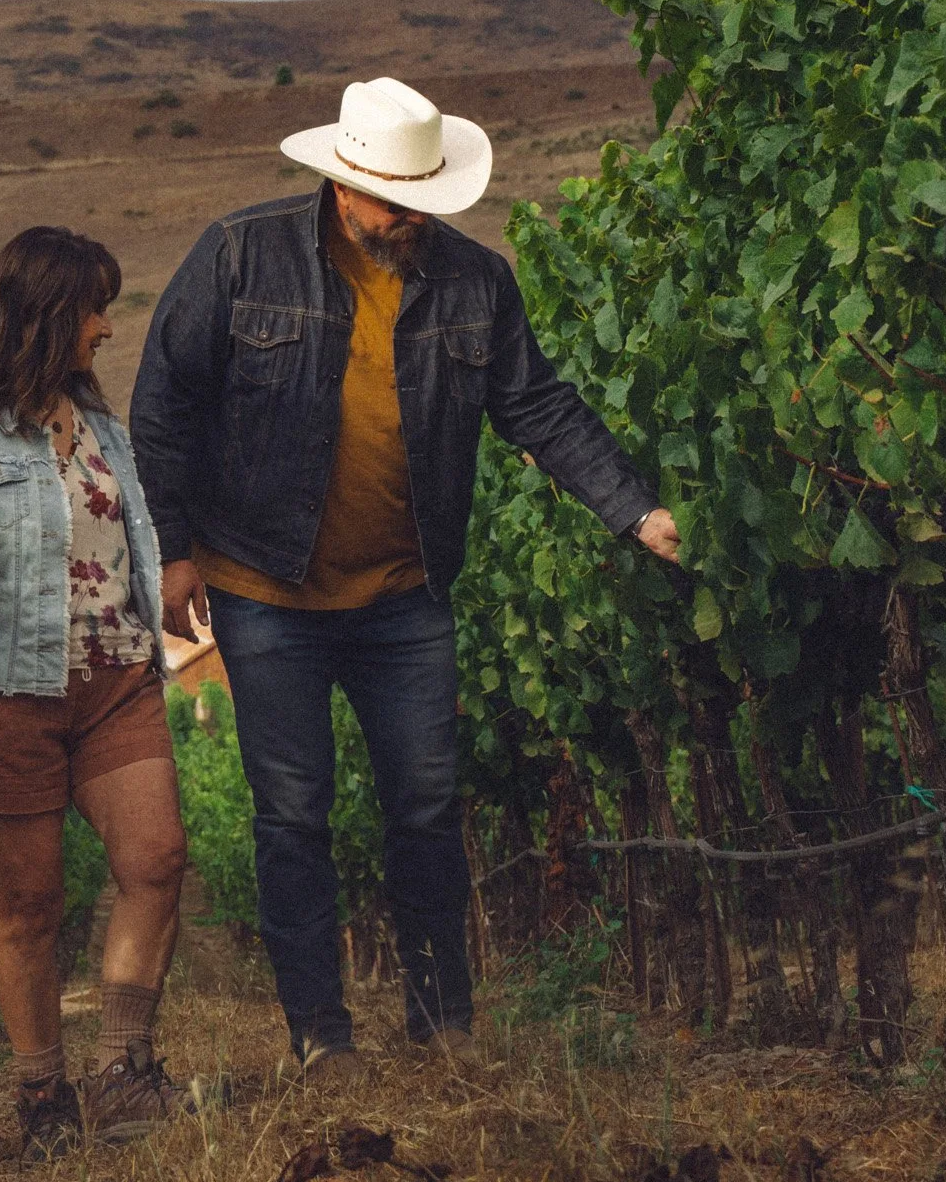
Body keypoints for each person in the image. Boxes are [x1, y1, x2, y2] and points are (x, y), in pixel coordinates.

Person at [131, 76, 680, 1070]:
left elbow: (540, 408)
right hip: (263, 589)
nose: (414, 220)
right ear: (344, 186)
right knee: (292, 814)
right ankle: (321, 1039)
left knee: (425, 807)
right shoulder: (240, 256)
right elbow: (163, 406)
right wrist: (171, 553)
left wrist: (632, 508)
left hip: (406, 591)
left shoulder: (476, 281)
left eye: (427, 201)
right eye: (395, 202)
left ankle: (442, 1026)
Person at [0, 226, 191, 1156]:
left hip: (115, 678)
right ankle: (41, 1103)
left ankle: (121, 1074)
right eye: (91, 309)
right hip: (8, 696)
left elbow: (131, 542)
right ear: (42, 315)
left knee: (156, 859)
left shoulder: (103, 427)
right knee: (28, 909)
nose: (106, 327)